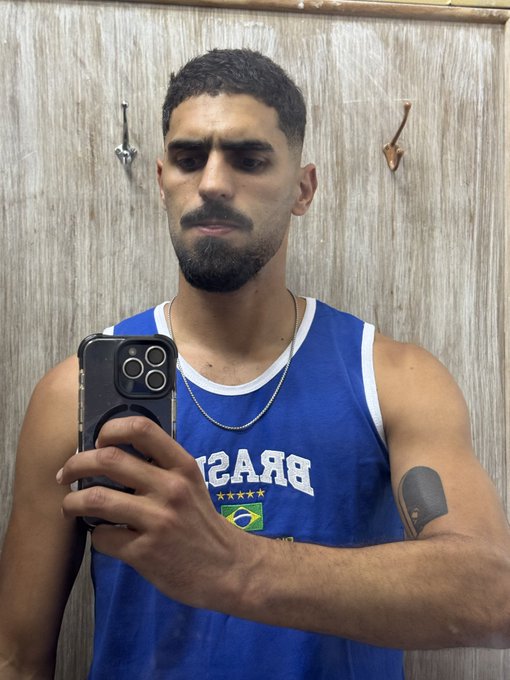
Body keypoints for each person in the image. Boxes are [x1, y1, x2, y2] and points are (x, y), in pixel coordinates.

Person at [1, 48, 509, 680]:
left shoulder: (392, 378)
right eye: (189, 158)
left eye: (248, 159)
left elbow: (492, 594)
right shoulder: (74, 395)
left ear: (303, 189)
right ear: (161, 178)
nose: (213, 182)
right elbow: (17, 659)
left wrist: (233, 565)